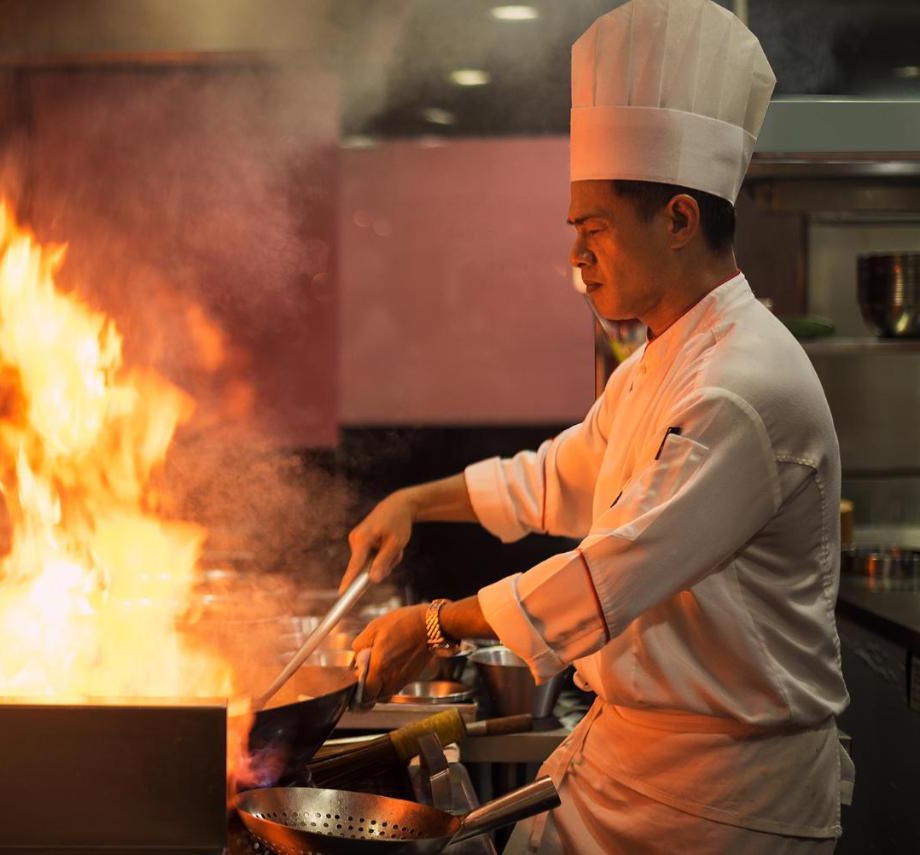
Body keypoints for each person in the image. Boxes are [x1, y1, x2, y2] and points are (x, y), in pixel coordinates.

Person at [340, 0, 854, 851]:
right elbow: (557, 477)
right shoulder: (664, 356)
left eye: (597, 230)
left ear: (681, 220)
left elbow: (607, 575)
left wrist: (433, 625)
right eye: (575, 232)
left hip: (720, 805)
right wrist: (411, 501)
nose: (578, 258)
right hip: (631, 769)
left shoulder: (741, 386)